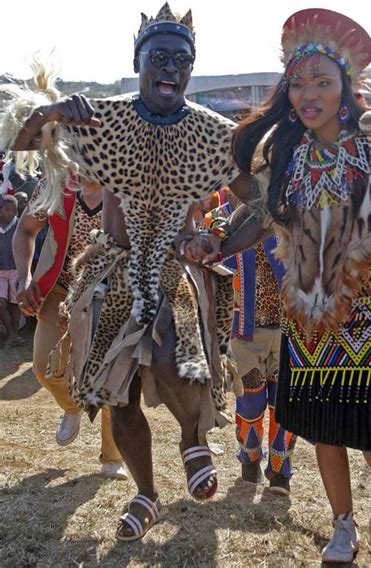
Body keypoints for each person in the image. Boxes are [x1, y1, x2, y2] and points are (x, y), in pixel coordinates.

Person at [183, 8, 371, 562]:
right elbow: (260, 216)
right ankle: (341, 524)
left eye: (322, 81)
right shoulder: (287, 156)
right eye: (298, 83)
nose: (307, 94)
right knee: (323, 422)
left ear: (347, 85)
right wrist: (217, 246)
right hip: (310, 308)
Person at [1, 3, 256, 542]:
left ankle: (193, 438)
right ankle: (147, 493)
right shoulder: (102, 117)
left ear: (193, 67)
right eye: (158, 57)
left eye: (182, 60)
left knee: (173, 357)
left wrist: (218, 242)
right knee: (117, 395)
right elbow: (23, 145)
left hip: (171, 268)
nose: (170, 68)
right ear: (137, 60)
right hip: (112, 271)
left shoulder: (214, 134)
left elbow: (263, 207)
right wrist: (50, 115)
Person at [13, 174, 128, 480]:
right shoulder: (53, 183)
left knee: (110, 376)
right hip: (59, 287)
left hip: (111, 292)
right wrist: (24, 276)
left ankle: (112, 456)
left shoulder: (125, 182)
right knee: (42, 366)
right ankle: (72, 405)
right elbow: (25, 230)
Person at [208, 198, 296, 494]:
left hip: (289, 328)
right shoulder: (220, 221)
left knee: (284, 403)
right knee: (251, 399)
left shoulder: (292, 212)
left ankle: (281, 469)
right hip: (243, 328)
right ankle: (250, 457)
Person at [0, 195, 25, 347]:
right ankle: (11, 334)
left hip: (16, 269)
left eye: (13, 210)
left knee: (15, 304)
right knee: (1, 304)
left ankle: (15, 335)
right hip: (1, 271)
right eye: (6, 209)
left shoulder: (19, 226)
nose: (10, 213)